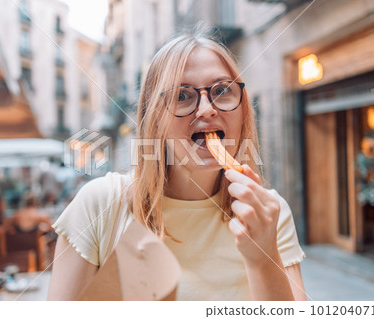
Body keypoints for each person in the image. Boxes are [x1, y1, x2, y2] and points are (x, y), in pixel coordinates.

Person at [48, 27, 306, 301]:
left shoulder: (270, 214)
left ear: (243, 110)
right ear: (154, 119)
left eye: (221, 90)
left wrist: (263, 259)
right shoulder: (100, 205)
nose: (207, 108)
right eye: (182, 95)